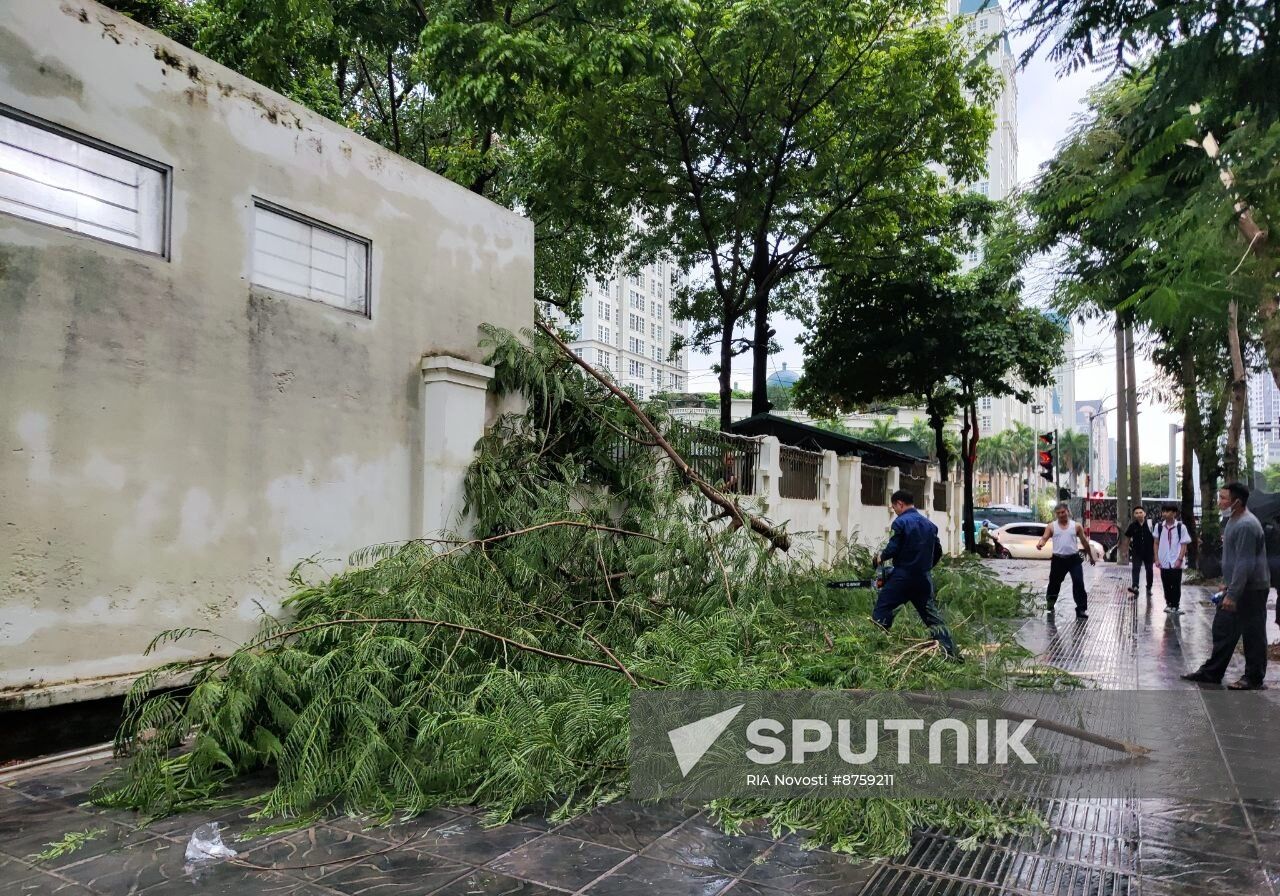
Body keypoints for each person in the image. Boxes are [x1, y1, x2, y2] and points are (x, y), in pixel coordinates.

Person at [1183, 483, 1271, 688]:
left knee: (1253, 633)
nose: (1219, 502)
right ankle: (1212, 672)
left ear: (1237, 502)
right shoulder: (1233, 520)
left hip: (1252, 589)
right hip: (1237, 586)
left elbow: (1244, 563)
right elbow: (1232, 559)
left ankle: (1254, 678)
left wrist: (1233, 594)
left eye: (1223, 498)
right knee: (1223, 628)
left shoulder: (1247, 525)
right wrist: (1227, 584)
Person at [872, 490, 960, 659]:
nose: (895, 511)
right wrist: (926, 567)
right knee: (932, 617)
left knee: (882, 609)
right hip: (923, 579)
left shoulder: (900, 523)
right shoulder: (929, 525)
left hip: (903, 577)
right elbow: (938, 551)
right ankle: (950, 652)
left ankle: (877, 648)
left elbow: (893, 547)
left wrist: (879, 558)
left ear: (900, 504)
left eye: (894, 507)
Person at [1035, 503, 1096, 620]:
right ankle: (1050, 604)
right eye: (1058, 513)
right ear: (1056, 514)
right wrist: (1040, 544)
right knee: (1054, 583)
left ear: (1068, 511)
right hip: (1058, 560)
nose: (1061, 515)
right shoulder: (1051, 526)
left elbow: (1084, 542)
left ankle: (1081, 609)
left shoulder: (1076, 526)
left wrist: (1091, 557)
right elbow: (1044, 538)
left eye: (1063, 512)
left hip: (1074, 559)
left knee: (1079, 583)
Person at [1155, 504, 1192, 614]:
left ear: (1174, 513)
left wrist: (1179, 559)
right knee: (1165, 583)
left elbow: (1184, 544)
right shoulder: (1159, 526)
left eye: (1167, 511)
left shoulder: (1181, 527)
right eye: (1163, 511)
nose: (1165, 514)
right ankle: (1169, 604)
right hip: (1164, 560)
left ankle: (1176, 605)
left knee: (1176, 583)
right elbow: (1156, 543)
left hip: (1176, 559)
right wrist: (1156, 559)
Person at [1124, 507, 1155, 598]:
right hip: (1136, 552)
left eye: (1140, 512)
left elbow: (1156, 538)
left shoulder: (1150, 524)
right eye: (1136, 513)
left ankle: (1149, 587)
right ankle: (1135, 587)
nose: (1139, 514)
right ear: (1134, 515)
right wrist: (1126, 551)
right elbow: (1128, 538)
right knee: (1135, 568)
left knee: (1149, 570)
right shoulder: (1132, 526)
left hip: (1149, 552)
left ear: (1144, 513)